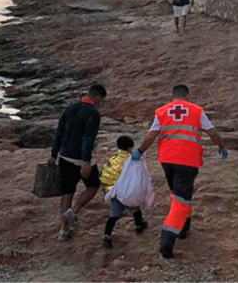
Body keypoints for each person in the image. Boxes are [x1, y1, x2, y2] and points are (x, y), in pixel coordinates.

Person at [131, 84, 228, 259]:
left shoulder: (162, 111)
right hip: (187, 160)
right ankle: (167, 240)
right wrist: (221, 146)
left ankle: (184, 227)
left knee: (179, 194)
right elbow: (212, 132)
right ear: (187, 95)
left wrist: (140, 151)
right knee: (181, 200)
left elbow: (152, 135)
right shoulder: (196, 111)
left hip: (167, 160)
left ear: (173, 95)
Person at [48, 83, 107, 241]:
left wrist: (54, 154)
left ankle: (63, 230)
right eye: (101, 100)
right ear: (96, 97)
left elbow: (59, 132)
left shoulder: (70, 108)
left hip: (65, 156)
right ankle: (73, 211)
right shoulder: (93, 113)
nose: (100, 103)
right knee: (93, 186)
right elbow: (88, 138)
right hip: (80, 158)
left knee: (67, 192)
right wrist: (86, 161)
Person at [100, 135, 148, 249]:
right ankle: (139, 225)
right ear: (130, 148)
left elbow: (105, 175)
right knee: (136, 208)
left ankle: (107, 235)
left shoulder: (112, 160)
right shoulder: (132, 160)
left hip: (115, 193)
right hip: (129, 193)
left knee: (113, 216)